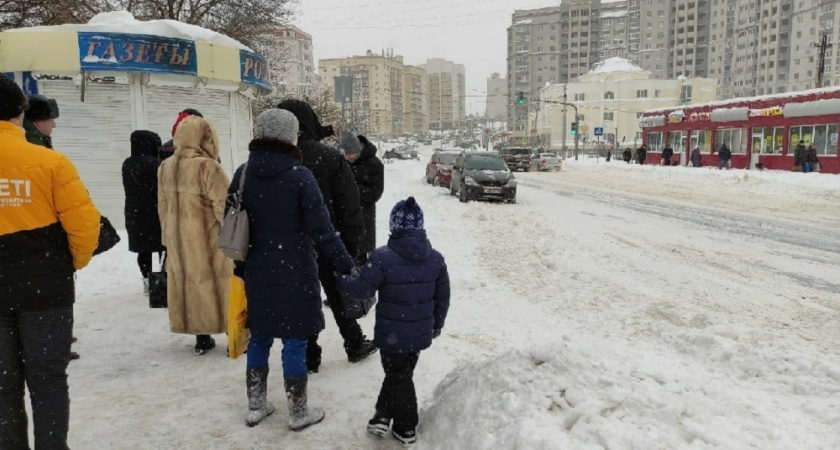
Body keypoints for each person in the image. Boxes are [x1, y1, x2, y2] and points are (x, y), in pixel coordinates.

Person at [230, 109, 356, 430]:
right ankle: (298, 412)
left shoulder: (243, 174)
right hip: (295, 270)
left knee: (259, 337)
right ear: (290, 137)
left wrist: (241, 266)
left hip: (257, 271)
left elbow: (231, 224)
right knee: (295, 340)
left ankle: (256, 405)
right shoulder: (300, 177)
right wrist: (346, 265)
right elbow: (323, 231)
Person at [0, 75, 100, 450]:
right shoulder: (51, 163)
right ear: (20, 114)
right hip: (46, 291)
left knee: (3, 383)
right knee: (48, 381)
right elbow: (85, 226)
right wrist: (66, 264)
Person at [337, 196, 450, 447]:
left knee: (399, 377)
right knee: (400, 374)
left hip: (392, 334)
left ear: (393, 226)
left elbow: (362, 290)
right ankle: (382, 415)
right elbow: (443, 297)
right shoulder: (436, 259)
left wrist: (341, 280)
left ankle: (406, 427)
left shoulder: (382, 257)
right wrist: (437, 324)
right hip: (420, 333)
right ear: (420, 227)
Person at [277, 99, 375, 373]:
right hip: (331, 241)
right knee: (338, 295)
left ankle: (309, 353)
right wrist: (352, 246)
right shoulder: (330, 157)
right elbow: (350, 204)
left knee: (302, 299)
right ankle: (354, 343)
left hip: (290, 246)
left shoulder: (276, 159)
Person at [157, 115, 233, 356]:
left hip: (178, 240)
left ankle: (202, 337)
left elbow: (162, 206)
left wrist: (166, 237)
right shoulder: (208, 167)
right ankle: (234, 334)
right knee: (221, 285)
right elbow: (224, 206)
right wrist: (235, 239)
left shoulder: (166, 166)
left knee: (192, 286)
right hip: (209, 239)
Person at [122, 130, 165, 294]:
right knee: (163, 247)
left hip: (135, 213)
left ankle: (146, 279)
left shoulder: (127, 164)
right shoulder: (156, 164)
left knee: (143, 250)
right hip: (156, 212)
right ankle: (161, 280)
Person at [340, 131, 385, 265]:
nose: (347, 157)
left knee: (361, 259)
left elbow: (375, 193)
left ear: (358, 150)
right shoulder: (342, 162)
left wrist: (352, 189)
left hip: (363, 218)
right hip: (344, 218)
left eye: (350, 154)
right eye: (345, 154)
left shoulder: (374, 164)